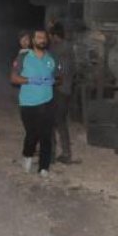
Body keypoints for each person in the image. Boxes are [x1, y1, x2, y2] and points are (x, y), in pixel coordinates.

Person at [10, 29, 58, 177]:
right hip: (28, 102)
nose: (42, 39)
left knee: (46, 135)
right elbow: (13, 78)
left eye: (44, 37)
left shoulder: (51, 59)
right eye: (38, 37)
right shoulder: (24, 57)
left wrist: (55, 80)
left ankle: (44, 167)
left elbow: (59, 76)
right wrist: (30, 80)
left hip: (47, 101)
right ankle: (27, 155)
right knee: (32, 134)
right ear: (32, 40)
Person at [48, 22, 78, 165]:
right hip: (65, 88)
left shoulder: (59, 49)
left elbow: (60, 70)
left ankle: (54, 153)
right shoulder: (67, 48)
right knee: (60, 121)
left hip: (59, 89)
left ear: (54, 36)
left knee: (54, 121)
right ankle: (63, 153)